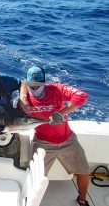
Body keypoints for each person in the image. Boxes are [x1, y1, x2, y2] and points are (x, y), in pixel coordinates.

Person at [24, 66, 90, 206]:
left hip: (67, 139)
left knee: (84, 170)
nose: (35, 89)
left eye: (38, 85)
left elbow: (82, 96)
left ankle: (82, 200)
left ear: (44, 82)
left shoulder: (55, 89)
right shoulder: (24, 97)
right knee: (36, 177)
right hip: (42, 143)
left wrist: (62, 113)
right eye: (32, 85)